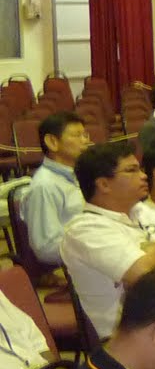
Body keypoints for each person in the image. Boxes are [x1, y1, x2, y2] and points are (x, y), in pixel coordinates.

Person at [61, 142, 155, 340]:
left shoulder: (139, 210)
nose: (144, 176)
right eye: (131, 170)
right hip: (130, 338)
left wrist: (149, 251)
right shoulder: (85, 229)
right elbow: (147, 274)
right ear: (103, 184)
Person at [21, 110, 89, 267]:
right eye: (77, 135)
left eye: (85, 135)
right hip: (76, 264)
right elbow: (46, 248)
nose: (85, 141)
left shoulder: (80, 174)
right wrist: (94, 244)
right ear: (52, 142)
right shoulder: (44, 186)